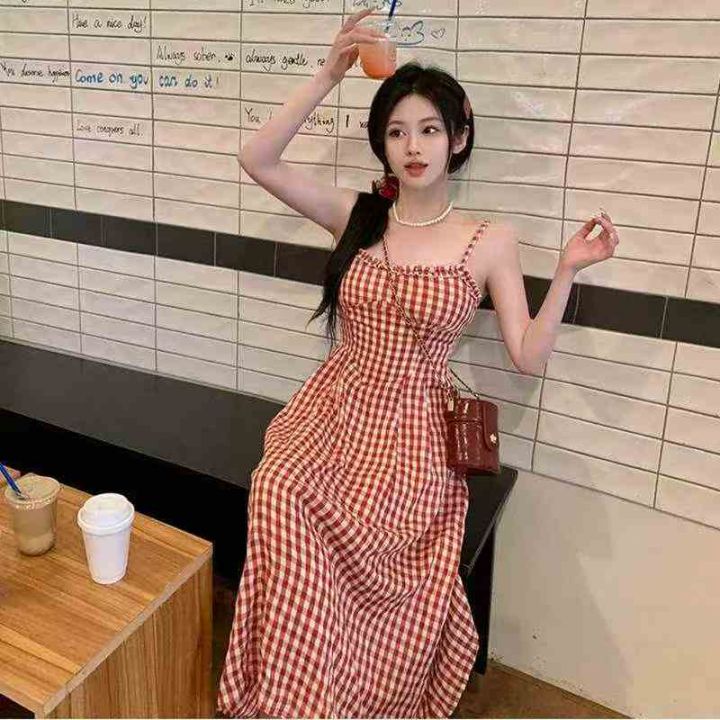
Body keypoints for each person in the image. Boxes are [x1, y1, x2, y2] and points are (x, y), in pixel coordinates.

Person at [217, 8, 619, 719]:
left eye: (429, 130)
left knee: (381, 547)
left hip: (415, 435)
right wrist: (330, 72)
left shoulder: (489, 239)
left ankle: (356, 695)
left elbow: (527, 357)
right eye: (397, 131)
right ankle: (296, 695)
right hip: (335, 413)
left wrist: (566, 272)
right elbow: (258, 159)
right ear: (381, 142)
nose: (413, 146)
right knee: (279, 488)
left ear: (458, 137)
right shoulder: (358, 216)